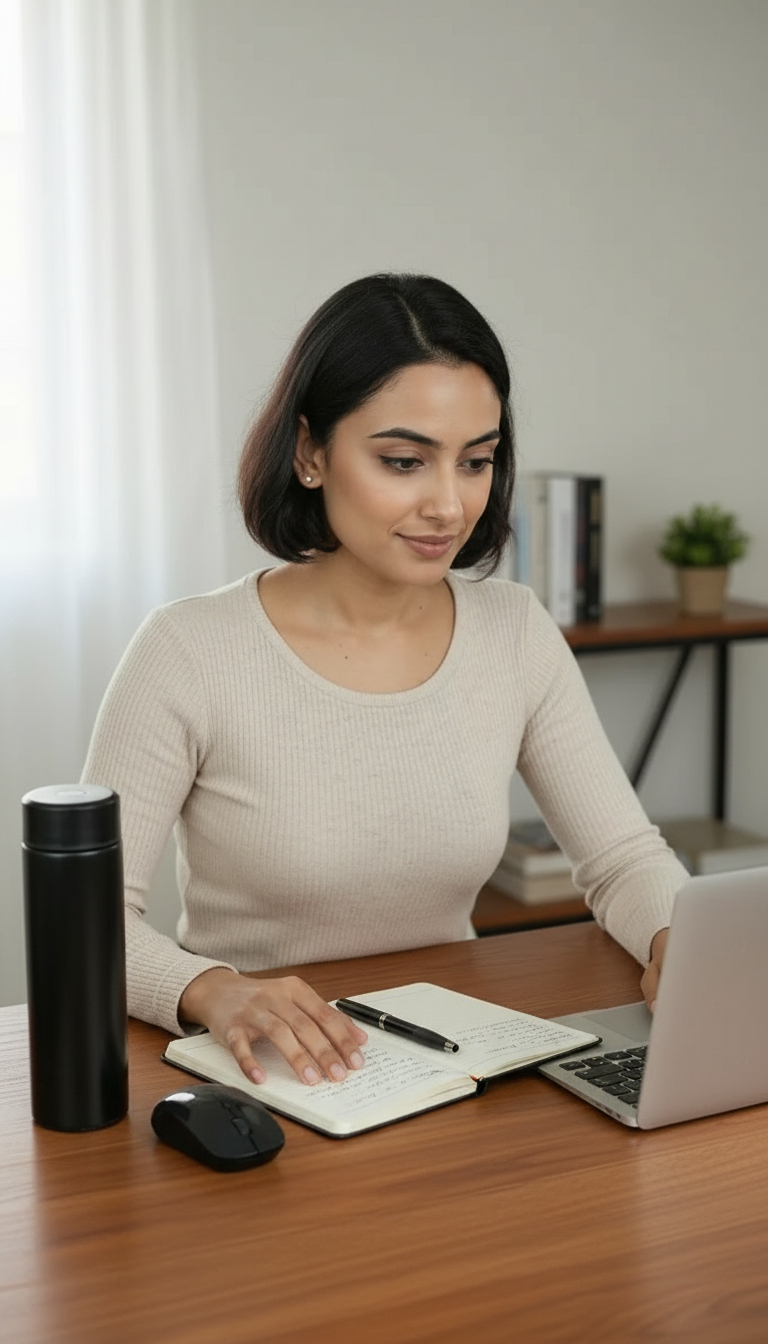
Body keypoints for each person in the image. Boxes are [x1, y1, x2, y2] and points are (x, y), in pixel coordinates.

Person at [82, 272, 687, 1091]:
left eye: (477, 461)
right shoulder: (189, 650)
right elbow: (85, 924)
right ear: (309, 452)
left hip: (454, 1064)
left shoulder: (513, 632)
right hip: (269, 1078)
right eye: (404, 460)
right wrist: (211, 989)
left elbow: (621, 859)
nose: (448, 503)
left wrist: (674, 942)